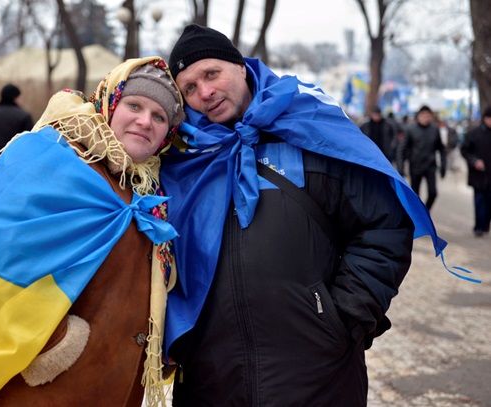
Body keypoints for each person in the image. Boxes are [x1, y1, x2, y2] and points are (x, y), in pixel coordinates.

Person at [159, 25, 454, 406]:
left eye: (211, 74)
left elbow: (383, 225)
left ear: (241, 67)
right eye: (189, 88)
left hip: (317, 375)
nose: (205, 92)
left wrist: (342, 319)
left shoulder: (312, 130)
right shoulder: (182, 159)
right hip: (212, 381)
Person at [0, 56, 184, 407]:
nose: (145, 121)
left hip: (116, 383)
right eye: (134, 105)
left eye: (159, 116)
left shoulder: (145, 185)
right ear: (111, 104)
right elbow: (5, 251)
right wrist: (55, 344)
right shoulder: (60, 157)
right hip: (51, 383)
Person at [397, 105, 447, 210]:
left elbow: (441, 149)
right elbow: (402, 149)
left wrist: (443, 166)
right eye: (423, 115)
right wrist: (401, 168)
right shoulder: (411, 129)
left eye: (427, 115)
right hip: (415, 166)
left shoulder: (434, 129)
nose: (425, 117)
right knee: (415, 195)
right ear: (418, 116)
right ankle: (417, 216)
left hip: (430, 166)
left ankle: (426, 211)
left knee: (433, 193)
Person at [461, 106, 491, 237]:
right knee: (479, 201)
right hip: (478, 175)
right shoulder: (473, 134)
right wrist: (475, 161)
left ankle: (485, 226)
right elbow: (465, 150)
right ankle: (479, 227)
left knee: (489, 202)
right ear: (485, 119)